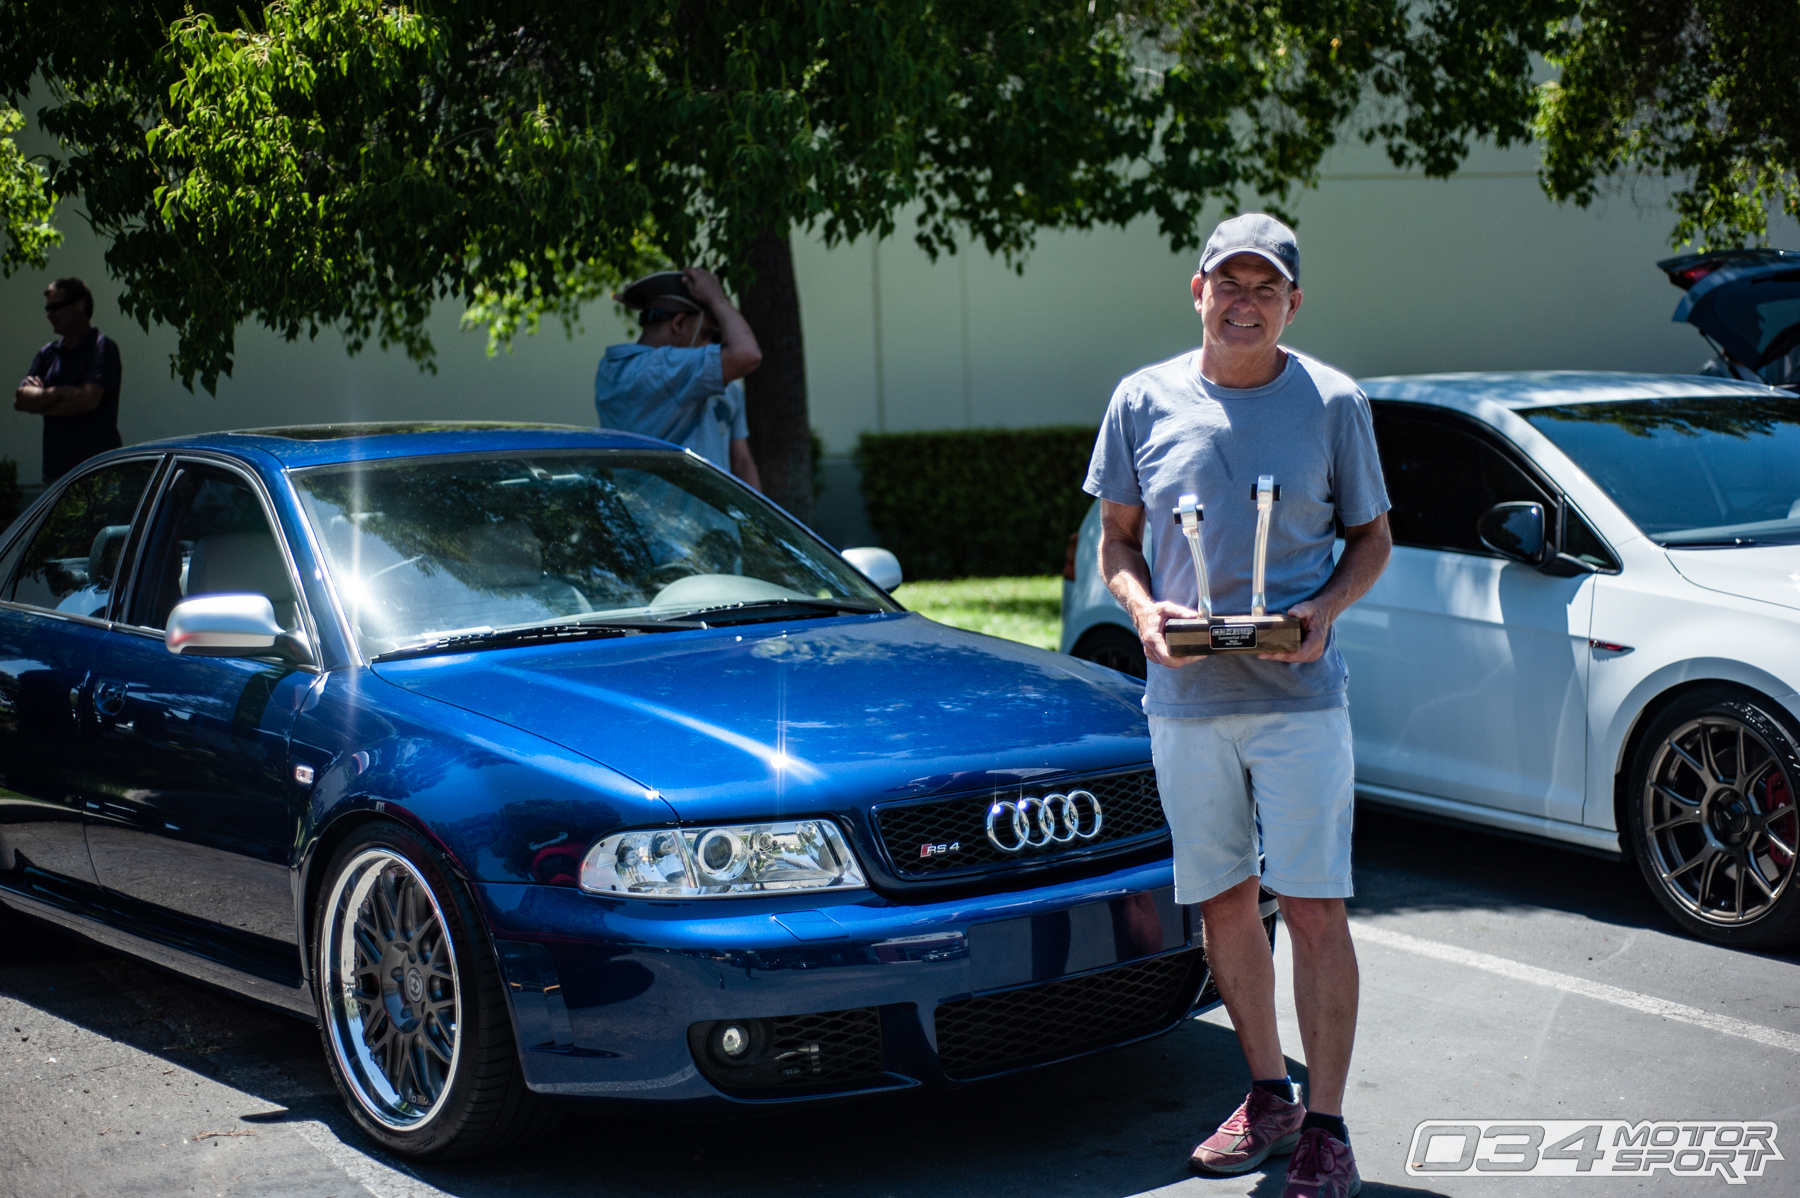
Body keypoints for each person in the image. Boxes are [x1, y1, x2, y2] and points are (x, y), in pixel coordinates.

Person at [1084, 213, 1392, 1198]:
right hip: (1185, 697)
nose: (1245, 301)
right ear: (1198, 289)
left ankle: (1329, 1127)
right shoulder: (1141, 400)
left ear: (1292, 303)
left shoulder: (1333, 402)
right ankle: (1269, 1095)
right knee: (1224, 901)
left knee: (1311, 903)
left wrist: (1325, 610)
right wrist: (1142, 611)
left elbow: (1372, 539)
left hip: (1298, 696)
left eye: (1267, 287)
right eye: (1231, 282)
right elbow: (1117, 542)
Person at [596, 267, 763, 488]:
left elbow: (741, 462)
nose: (712, 346)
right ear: (679, 324)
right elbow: (747, 355)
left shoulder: (618, 369)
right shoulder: (658, 370)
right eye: (706, 334)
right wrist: (716, 297)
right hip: (675, 521)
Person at [13, 277, 123, 484]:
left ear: (80, 305)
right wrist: (66, 396)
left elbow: (88, 400)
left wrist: (44, 400)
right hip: (57, 475)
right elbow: (20, 400)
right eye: (47, 309)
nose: (50, 314)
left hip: (97, 471)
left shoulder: (102, 348)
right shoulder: (48, 353)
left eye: (56, 307)